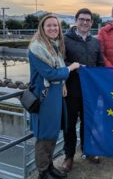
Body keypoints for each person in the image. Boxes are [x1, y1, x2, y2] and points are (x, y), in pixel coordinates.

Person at [28, 14, 80, 179]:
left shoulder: (53, 46)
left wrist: (63, 84)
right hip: (44, 99)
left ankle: (49, 167)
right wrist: (70, 69)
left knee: (51, 134)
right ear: (42, 28)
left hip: (54, 96)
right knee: (44, 136)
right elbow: (50, 74)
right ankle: (43, 172)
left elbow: (56, 69)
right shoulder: (37, 49)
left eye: (55, 26)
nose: (52, 28)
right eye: (49, 26)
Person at [61, 9, 104, 172]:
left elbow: (100, 65)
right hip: (71, 90)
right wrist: (74, 68)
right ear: (76, 21)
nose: (85, 22)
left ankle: (88, 150)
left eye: (88, 20)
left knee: (89, 123)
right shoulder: (65, 40)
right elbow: (61, 62)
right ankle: (69, 156)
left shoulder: (95, 42)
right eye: (82, 19)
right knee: (70, 124)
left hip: (90, 92)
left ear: (92, 23)